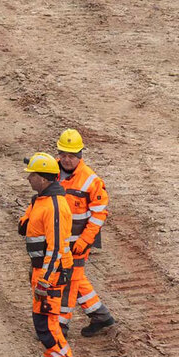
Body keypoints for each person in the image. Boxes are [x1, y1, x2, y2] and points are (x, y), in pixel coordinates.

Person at [19, 153, 79, 357]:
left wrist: (44, 280)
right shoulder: (42, 200)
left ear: (43, 179)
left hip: (51, 275)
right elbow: (26, 228)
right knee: (41, 320)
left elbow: (55, 248)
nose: (29, 179)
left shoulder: (54, 206)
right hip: (42, 271)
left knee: (47, 324)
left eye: (32, 175)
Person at [54, 128, 114, 335]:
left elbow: (99, 215)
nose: (67, 160)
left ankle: (61, 324)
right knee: (73, 277)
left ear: (80, 155)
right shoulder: (52, 173)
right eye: (63, 155)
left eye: (71, 156)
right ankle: (100, 315)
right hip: (58, 239)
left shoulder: (91, 181)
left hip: (79, 241)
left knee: (69, 280)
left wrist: (85, 241)